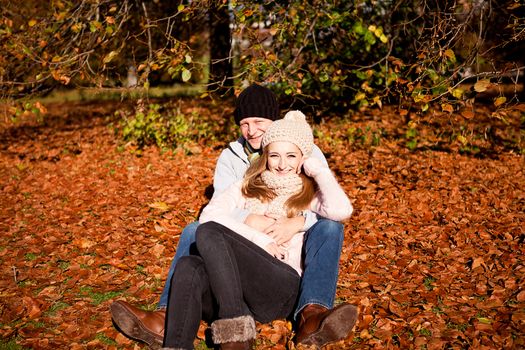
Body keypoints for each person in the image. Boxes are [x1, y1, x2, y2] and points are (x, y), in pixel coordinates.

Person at [110, 84, 357, 349]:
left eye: (259, 122)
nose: (252, 130)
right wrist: (253, 225)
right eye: (245, 123)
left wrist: (300, 219)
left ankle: (311, 312)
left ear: (301, 157)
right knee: (194, 241)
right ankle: (170, 321)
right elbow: (218, 210)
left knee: (330, 227)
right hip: (243, 253)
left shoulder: (305, 165)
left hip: (283, 267)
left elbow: (337, 209)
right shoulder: (235, 164)